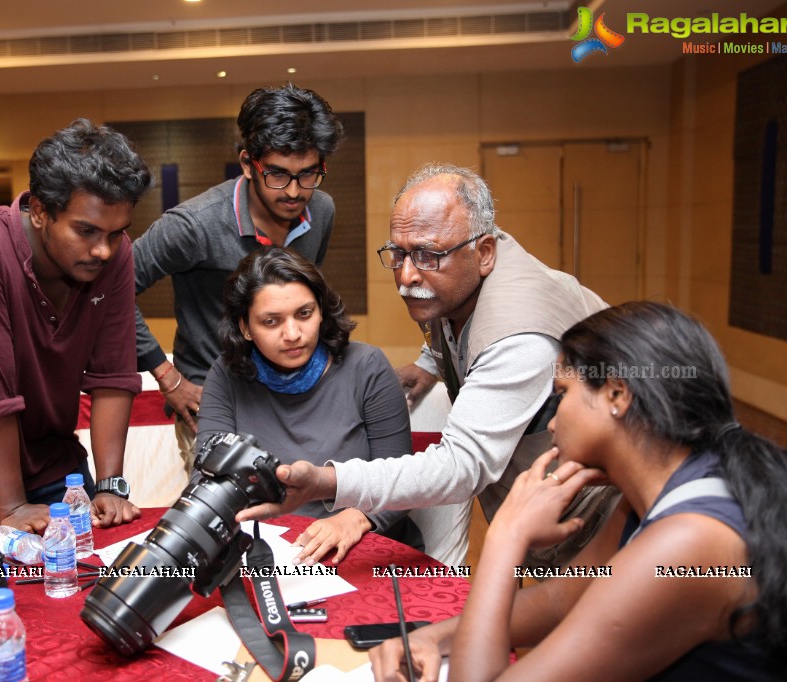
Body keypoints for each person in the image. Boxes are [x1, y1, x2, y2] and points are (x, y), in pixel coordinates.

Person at [370, 302, 787, 681]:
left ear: (617, 394)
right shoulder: (660, 490)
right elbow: (560, 598)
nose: (555, 422)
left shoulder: (689, 544)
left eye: (562, 394)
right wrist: (434, 635)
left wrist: (507, 537)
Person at [239, 163, 612, 570]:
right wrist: (429, 364)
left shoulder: (518, 336)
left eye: (426, 255)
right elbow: (455, 322)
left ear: (484, 252)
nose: (406, 275)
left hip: (604, 524)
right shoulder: (460, 266)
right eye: (398, 253)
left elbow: (460, 467)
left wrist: (328, 482)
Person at [0, 119, 152, 536]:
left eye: (117, 232)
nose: (104, 250)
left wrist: (110, 486)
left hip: (56, 467)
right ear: (39, 211)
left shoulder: (113, 254)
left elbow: (112, 377)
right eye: (86, 230)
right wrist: (14, 506)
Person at [132, 83, 344, 472]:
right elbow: (110, 291)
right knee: (226, 518)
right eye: (278, 175)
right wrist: (169, 378)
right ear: (248, 164)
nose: (295, 192)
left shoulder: (323, 210)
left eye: (309, 174)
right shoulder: (193, 224)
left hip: (290, 393)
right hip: (214, 398)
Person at [197, 247, 420, 563]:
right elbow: (207, 476)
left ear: (322, 312)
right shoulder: (225, 375)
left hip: (362, 545)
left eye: (304, 314)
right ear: (245, 327)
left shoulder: (366, 366)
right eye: (271, 321)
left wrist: (357, 517)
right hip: (267, 550)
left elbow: (404, 479)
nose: (293, 334)